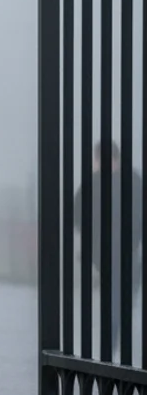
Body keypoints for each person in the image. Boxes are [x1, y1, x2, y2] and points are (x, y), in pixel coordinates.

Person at [73, 140, 143, 353]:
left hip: (107, 254)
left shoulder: (93, 184)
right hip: (125, 253)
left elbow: (77, 216)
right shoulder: (133, 180)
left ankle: (111, 348)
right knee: (120, 303)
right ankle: (115, 347)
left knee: (113, 302)